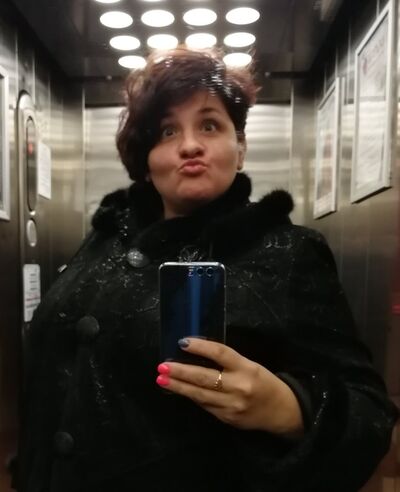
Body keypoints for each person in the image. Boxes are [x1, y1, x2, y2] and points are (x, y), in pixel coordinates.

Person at [14, 47, 398, 492]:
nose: (190, 145)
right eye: (167, 130)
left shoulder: (287, 252)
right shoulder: (106, 237)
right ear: (146, 160)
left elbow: (369, 414)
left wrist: (289, 408)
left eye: (210, 125)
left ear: (240, 147)